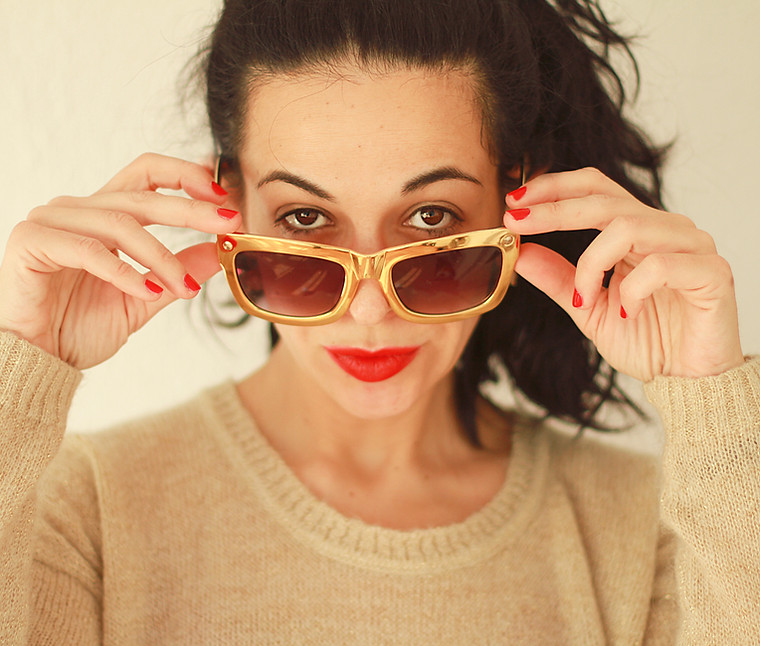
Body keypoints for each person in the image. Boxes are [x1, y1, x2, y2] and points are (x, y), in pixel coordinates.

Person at [1, 0, 757, 643]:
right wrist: (20, 365)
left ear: (510, 203)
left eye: (430, 218)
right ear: (229, 206)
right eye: (305, 217)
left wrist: (709, 399)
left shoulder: (653, 533)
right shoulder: (86, 515)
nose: (370, 308)